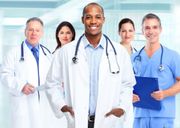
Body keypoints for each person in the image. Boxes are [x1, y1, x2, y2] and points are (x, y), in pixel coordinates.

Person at [45, 2, 135, 128]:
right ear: (83, 20)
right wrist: (62, 106)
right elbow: (51, 82)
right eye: (88, 17)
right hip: (78, 119)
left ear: (103, 20)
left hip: (108, 120)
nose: (93, 21)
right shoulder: (66, 51)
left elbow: (127, 84)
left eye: (98, 17)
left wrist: (121, 108)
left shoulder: (119, 51)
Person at [0, 17, 52, 128]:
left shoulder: (47, 53)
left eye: (37, 30)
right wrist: (21, 85)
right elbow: (4, 75)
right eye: (30, 30)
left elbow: (52, 77)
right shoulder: (13, 53)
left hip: (44, 104)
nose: (34, 33)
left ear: (42, 33)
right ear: (25, 32)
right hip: (23, 104)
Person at [131, 13, 180, 128]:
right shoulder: (134, 57)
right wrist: (129, 94)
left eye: (154, 27)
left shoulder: (172, 56)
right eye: (147, 28)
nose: (151, 31)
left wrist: (165, 93)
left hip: (163, 115)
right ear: (142, 31)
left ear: (160, 29)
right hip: (139, 114)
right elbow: (125, 84)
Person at [118, 18, 136, 128]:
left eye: (130, 30)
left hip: (135, 101)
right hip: (117, 100)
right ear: (119, 32)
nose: (127, 34)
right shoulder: (112, 52)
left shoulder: (138, 54)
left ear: (134, 32)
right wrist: (128, 95)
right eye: (124, 31)